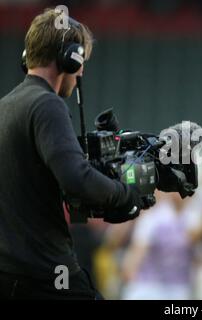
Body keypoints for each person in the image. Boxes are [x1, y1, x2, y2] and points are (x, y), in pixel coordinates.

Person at [0, 8, 148, 299]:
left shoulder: (5, 106)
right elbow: (76, 178)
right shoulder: (47, 105)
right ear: (70, 57)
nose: (81, 72)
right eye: (82, 62)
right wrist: (125, 192)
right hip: (45, 273)